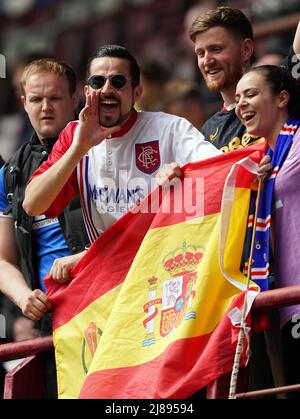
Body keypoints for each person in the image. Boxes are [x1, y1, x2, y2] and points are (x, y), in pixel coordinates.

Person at [23, 45, 220, 251]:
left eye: (118, 82)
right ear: (87, 91)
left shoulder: (170, 129)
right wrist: (79, 148)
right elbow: (32, 205)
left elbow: (218, 168)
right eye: (97, 82)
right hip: (108, 271)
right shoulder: (74, 136)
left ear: (137, 93)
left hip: (163, 262)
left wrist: (186, 176)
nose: (107, 89)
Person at [0, 58, 89, 397]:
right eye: (36, 99)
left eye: (54, 98)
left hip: (105, 304)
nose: (45, 107)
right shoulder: (10, 173)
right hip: (50, 320)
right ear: (24, 103)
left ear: (75, 98)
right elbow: (3, 258)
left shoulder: (102, 152)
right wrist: (24, 298)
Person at [235, 64, 300, 397]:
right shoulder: (262, 162)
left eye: (251, 94)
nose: (241, 104)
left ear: (282, 99)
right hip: (285, 305)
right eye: (237, 98)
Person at [188, 6, 300, 153]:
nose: (207, 61)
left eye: (216, 49)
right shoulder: (208, 131)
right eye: (201, 53)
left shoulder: (281, 81)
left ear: (246, 49)